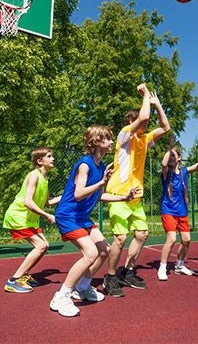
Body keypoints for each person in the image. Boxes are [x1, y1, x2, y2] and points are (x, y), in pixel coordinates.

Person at [49, 125, 138, 317]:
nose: (111, 141)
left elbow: (99, 196)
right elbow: (79, 193)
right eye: (107, 138)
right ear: (97, 142)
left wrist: (124, 197)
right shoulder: (85, 165)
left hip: (82, 217)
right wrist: (100, 183)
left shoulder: (99, 168)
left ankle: (82, 286)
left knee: (104, 250)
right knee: (90, 253)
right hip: (68, 216)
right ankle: (62, 295)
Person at [103, 83, 170, 297]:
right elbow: (143, 118)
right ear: (131, 122)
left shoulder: (144, 139)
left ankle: (128, 271)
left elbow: (165, 128)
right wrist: (144, 96)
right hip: (118, 196)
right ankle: (110, 276)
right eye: (141, 120)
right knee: (120, 238)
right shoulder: (124, 136)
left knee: (142, 234)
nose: (146, 122)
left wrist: (157, 105)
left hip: (135, 197)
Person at [2, 147, 60, 293]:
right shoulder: (34, 175)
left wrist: (69, 195)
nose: (53, 158)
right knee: (40, 246)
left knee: (44, 245)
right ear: (39, 161)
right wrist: (47, 216)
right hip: (18, 217)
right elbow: (28, 202)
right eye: (49, 156)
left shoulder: (45, 179)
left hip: (28, 220)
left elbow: (48, 202)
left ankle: (23, 276)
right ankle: (13, 281)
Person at [157, 139, 198, 281]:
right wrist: (170, 149)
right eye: (169, 155)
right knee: (171, 239)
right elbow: (163, 163)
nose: (171, 157)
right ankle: (162, 267)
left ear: (179, 158)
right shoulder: (166, 173)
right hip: (168, 210)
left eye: (174, 155)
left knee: (187, 240)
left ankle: (179, 265)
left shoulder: (184, 171)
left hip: (182, 211)